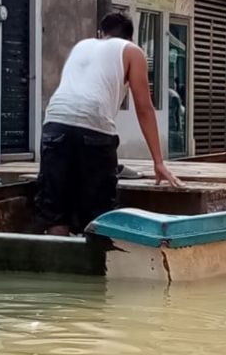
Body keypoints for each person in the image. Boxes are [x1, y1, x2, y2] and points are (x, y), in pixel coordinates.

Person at [36, 12, 181, 236]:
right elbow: (144, 108)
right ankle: (94, 262)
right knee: (98, 212)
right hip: (95, 127)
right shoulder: (132, 51)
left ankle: (59, 262)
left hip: (55, 123)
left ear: (100, 34)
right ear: (129, 38)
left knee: (55, 209)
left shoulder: (82, 46)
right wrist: (158, 162)